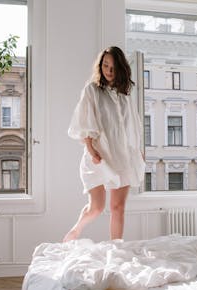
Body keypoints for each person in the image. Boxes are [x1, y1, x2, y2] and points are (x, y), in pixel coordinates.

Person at [63, 46, 145, 242]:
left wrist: (138, 151)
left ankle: (116, 248)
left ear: (121, 69)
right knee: (97, 208)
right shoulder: (92, 90)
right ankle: (76, 230)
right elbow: (84, 122)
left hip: (122, 156)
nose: (109, 70)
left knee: (118, 208)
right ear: (100, 66)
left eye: (113, 67)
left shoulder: (125, 95)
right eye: (105, 65)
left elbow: (132, 126)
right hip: (98, 157)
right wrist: (90, 150)